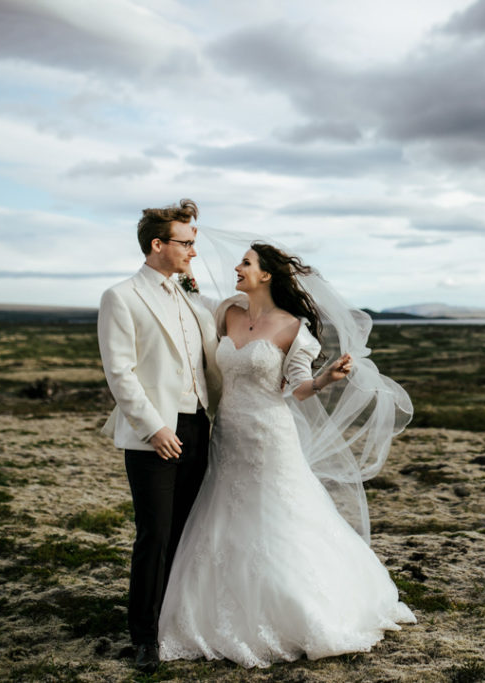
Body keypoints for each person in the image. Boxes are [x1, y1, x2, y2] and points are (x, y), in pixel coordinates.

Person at [158, 242, 415, 668]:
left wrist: (325, 379)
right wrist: (184, 281)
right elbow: (195, 323)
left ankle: (296, 606)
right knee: (222, 514)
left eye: (246, 263)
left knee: (277, 515)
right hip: (227, 433)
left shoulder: (294, 328)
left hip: (269, 436)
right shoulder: (227, 312)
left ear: (267, 275)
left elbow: (295, 388)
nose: (237, 268)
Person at [97, 199, 222, 674]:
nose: (193, 251)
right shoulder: (121, 296)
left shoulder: (190, 296)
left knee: (188, 533)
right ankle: (145, 636)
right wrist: (154, 428)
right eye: (186, 243)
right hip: (155, 433)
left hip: (199, 426)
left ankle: (178, 622)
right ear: (157, 244)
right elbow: (120, 372)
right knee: (155, 535)